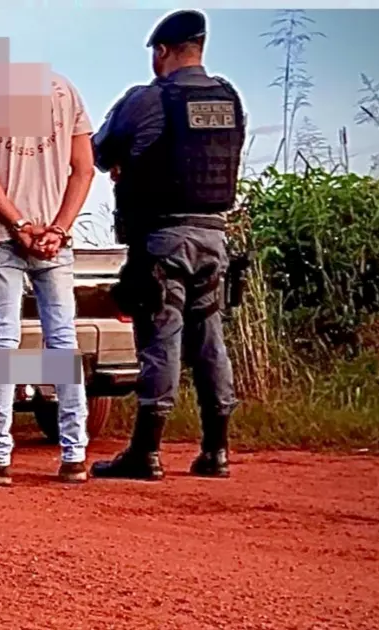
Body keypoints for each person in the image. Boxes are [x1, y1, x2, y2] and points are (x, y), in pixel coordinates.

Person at [89, 9, 246, 480]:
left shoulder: (147, 100)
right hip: (214, 237)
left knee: (160, 340)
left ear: (162, 52)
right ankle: (216, 451)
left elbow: (99, 151)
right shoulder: (229, 98)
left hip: (163, 241)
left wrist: (125, 162)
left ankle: (146, 453)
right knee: (210, 341)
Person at [0, 68, 95, 485]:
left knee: (3, 343)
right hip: (55, 239)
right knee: (62, 343)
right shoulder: (66, 87)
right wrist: (59, 229)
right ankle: (74, 455)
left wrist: (18, 225)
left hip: (2, 235)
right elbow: (84, 169)